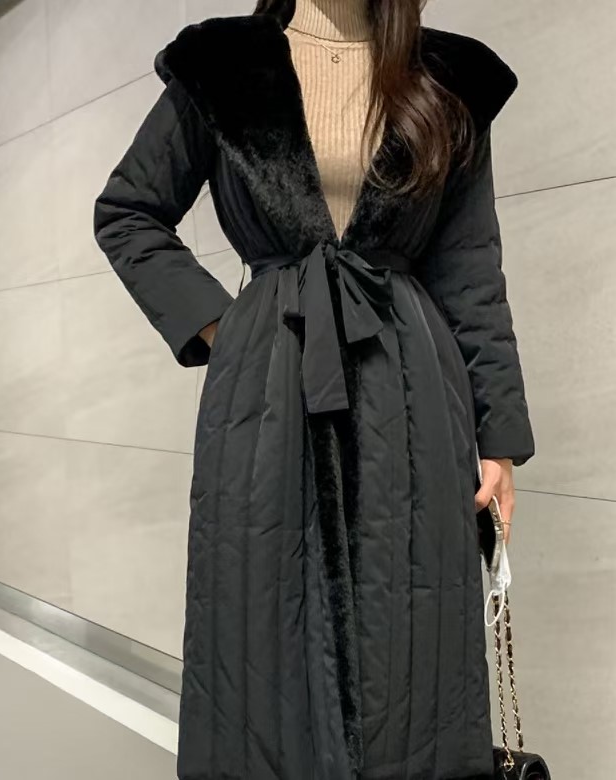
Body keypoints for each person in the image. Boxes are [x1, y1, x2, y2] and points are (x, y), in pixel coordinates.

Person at [92, 1, 535, 777]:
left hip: (410, 390)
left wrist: (498, 439)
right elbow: (129, 211)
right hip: (266, 388)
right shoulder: (221, 64)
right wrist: (225, 330)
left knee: (412, 636)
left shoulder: (446, 77)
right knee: (261, 619)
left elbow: (469, 269)